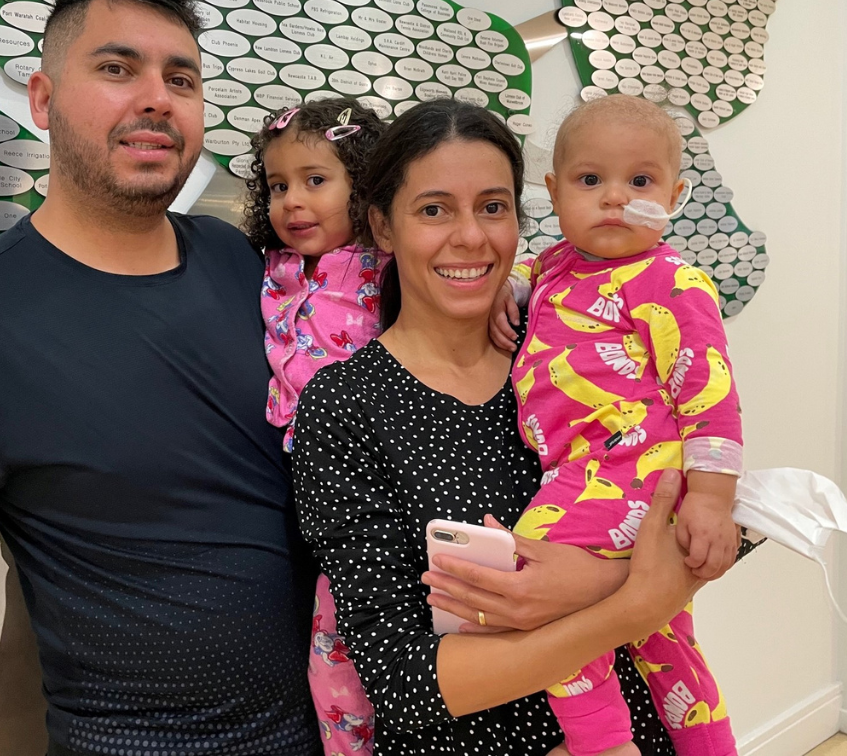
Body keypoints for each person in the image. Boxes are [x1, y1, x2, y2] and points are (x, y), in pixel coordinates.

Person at [0, 0, 320, 756]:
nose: (156, 96)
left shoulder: (242, 262)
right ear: (42, 100)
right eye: (116, 68)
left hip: (323, 730)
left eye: (180, 78)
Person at [290, 99, 703, 756]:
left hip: (636, 729)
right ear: (383, 226)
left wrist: (593, 582)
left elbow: (710, 512)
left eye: (492, 205)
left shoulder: (569, 350)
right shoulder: (345, 407)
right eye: (434, 209)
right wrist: (629, 604)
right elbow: (402, 681)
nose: (473, 237)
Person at [489, 96, 742, 756]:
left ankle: (600, 741)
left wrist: (712, 497)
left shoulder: (670, 280)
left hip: (626, 472)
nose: (612, 198)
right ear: (553, 191)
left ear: (675, 193)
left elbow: (708, 390)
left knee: (531, 570)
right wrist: (505, 288)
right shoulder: (554, 266)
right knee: (663, 635)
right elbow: (526, 272)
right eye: (589, 180)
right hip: (595, 471)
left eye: (640, 181)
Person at [241, 97, 389, 753]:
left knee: (376, 642)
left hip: (379, 487)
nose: (292, 201)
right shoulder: (270, 270)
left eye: (315, 180)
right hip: (307, 493)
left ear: (365, 186)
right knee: (332, 661)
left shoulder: (387, 263)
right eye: (278, 185)